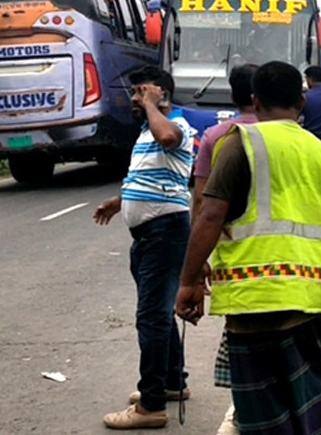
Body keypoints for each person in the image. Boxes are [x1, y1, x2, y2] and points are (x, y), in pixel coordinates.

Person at [175, 61, 321, 435]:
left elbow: (209, 215)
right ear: (301, 102)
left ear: (254, 100)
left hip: (253, 300)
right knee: (310, 399)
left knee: (263, 411)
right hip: (310, 299)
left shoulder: (239, 144)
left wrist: (188, 281)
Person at [94, 67, 195, 430]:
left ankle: (151, 406)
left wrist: (155, 106)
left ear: (161, 94)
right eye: (135, 93)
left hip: (164, 232)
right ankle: (171, 383)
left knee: (150, 317)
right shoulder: (146, 131)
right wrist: (119, 201)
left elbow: (169, 138)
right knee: (158, 313)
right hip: (149, 234)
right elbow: (148, 176)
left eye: (142, 92)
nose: (135, 99)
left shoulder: (176, 125)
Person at [190, 63, 259, 395]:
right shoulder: (294, 138)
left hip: (237, 261)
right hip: (299, 268)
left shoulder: (218, 137)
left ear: (233, 95)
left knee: (246, 357)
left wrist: (194, 268)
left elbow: (204, 206)